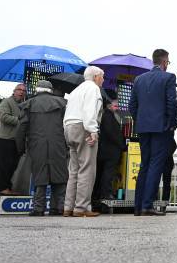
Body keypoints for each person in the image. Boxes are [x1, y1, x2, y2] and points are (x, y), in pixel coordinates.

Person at [130, 49, 177, 216]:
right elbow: (171, 103)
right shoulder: (168, 77)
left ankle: (138, 206)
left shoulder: (139, 79)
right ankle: (147, 205)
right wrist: (170, 124)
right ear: (165, 62)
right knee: (155, 164)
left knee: (144, 164)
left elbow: (132, 106)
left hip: (143, 128)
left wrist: (140, 121)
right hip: (161, 128)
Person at [16, 80, 68, 216]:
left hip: (36, 144)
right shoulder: (63, 103)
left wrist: (20, 148)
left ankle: (38, 208)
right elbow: (68, 125)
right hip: (58, 143)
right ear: (50, 90)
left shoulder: (29, 104)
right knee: (60, 174)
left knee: (40, 174)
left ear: (36, 89)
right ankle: (59, 207)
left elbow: (21, 129)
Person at [63, 66, 104, 217]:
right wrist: (93, 130)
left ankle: (68, 207)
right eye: (102, 77)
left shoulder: (75, 91)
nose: (103, 80)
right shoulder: (93, 89)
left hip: (69, 127)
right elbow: (89, 111)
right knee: (87, 169)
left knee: (73, 170)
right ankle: (81, 207)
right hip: (83, 127)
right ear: (95, 77)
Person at [93, 99, 126, 210]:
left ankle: (98, 194)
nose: (117, 107)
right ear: (109, 105)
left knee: (101, 173)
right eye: (115, 104)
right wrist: (121, 145)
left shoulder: (105, 115)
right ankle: (106, 194)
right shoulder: (108, 116)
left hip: (103, 150)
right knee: (108, 172)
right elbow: (112, 133)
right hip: (110, 150)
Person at [0, 83, 25, 195]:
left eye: (24, 90)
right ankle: (2, 188)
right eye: (19, 89)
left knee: (13, 165)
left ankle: (7, 187)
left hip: (16, 140)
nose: (21, 92)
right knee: (5, 165)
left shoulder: (24, 104)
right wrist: (20, 121)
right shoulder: (6, 102)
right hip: (4, 139)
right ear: (14, 91)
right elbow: (3, 117)